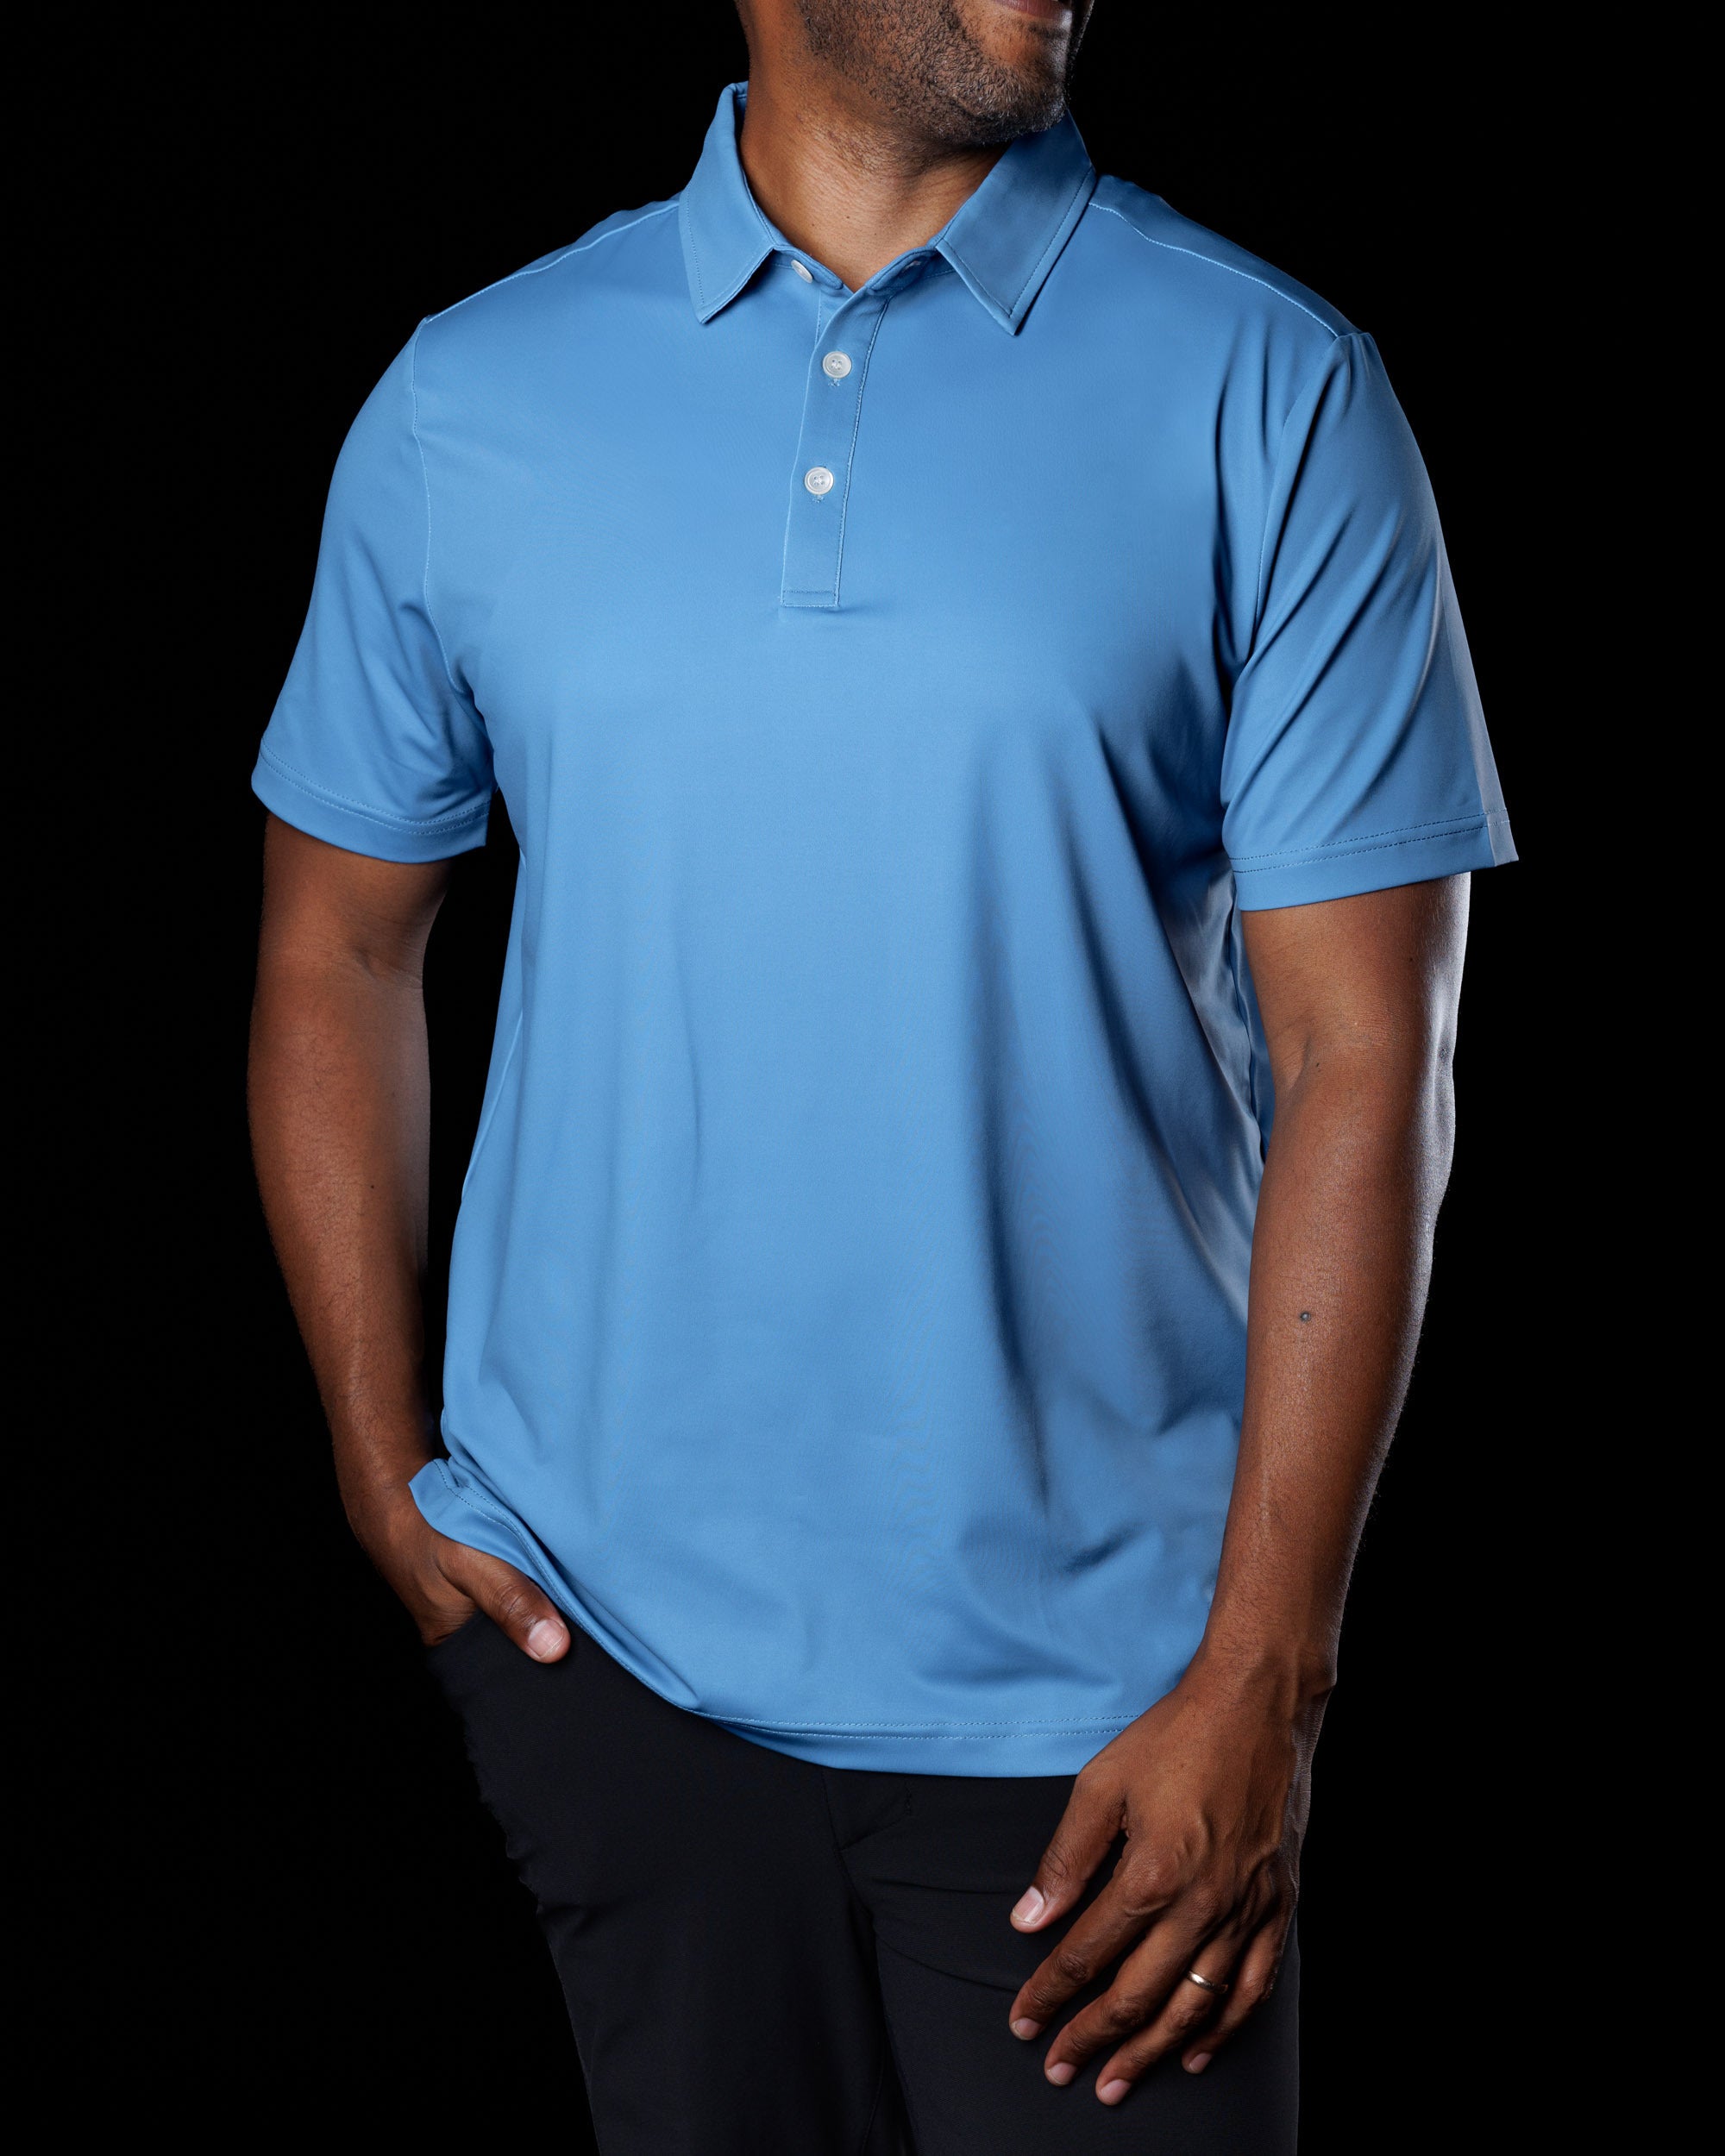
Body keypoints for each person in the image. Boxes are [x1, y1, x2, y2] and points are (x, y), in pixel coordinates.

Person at [247, 2, 1513, 2148]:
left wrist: (1263, 1677)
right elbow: (337, 945)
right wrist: (384, 1469)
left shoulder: (1270, 383)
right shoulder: (469, 399)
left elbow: (1363, 1053)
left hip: (1115, 1720)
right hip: (606, 1663)